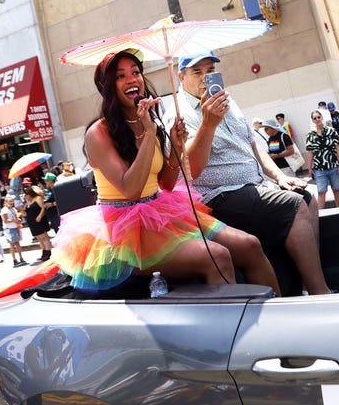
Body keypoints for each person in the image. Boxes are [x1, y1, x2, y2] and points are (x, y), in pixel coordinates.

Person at [51, 49, 280, 294]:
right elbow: (130, 189)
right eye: (120, 76)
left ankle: (278, 311)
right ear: (107, 87)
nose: (132, 79)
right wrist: (150, 134)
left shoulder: (150, 119)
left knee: (249, 245)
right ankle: (233, 319)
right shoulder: (98, 132)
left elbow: (167, 183)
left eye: (135, 72)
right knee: (217, 256)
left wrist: (176, 148)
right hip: (124, 229)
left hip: (161, 209)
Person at [166, 50, 331, 295]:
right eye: (197, 72)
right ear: (181, 77)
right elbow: (192, 170)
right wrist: (208, 124)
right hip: (218, 196)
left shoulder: (227, 100)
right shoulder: (178, 116)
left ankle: (307, 288)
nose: (205, 78)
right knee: (294, 204)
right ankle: (321, 294)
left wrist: (279, 176)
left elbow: (252, 143)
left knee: (307, 197)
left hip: (255, 187)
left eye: (210, 71)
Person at [306, 110, 339, 209]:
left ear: (322, 117)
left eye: (318, 117)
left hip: (333, 165)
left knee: (336, 189)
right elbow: (310, 152)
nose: (317, 119)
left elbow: (338, 148)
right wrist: (309, 168)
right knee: (321, 192)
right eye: (315, 118)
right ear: (312, 120)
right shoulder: (310, 134)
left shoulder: (331, 131)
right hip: (319, 168)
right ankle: (321, 215)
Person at [22, 185, 53, 262]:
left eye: (26, 194)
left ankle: (48, 253)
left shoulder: (38, 198)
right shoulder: (28, 202)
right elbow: (26, 211)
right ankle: (44, 253)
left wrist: (39, 216)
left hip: (39, 221)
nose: (25, 196)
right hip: (32, 222)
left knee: (44, 237)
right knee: (39, 238)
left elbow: (43, 208)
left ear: (29, 194)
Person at [0, 194, 28, 267]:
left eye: (12, 201)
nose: (11, 202)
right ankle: (14, 260)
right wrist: (14, 220)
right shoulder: (4, 210)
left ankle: (21, 258)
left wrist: (18, 219)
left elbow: (17, 216)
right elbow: (5, 220)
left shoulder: (13, 209)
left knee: (17, 243)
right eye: (9, 201)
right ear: (5, 202)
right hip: (9, 229)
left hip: (15, 227)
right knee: (12, 244)